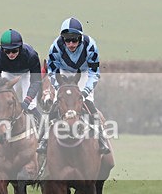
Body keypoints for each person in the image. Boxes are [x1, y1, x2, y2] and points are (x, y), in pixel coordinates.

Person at [39, 17, 110, 154]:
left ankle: (101, 139)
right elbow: (52, 72)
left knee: (88, 102)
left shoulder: (90, 46)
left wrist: (85, 92)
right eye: (67, 40)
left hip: (83, 73)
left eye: (75, 40)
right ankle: (44, 139)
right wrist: (59, 89)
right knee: (55, 103)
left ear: (81, 38)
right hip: (63, 72)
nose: (71, 44)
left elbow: (94, 73)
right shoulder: (55, 47)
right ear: (62, 39)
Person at [0, 29, 43, 154]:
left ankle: (43, 137)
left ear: (20, 48)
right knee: (2, 106)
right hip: (7, 75)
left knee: (31, 105)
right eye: (7, 51)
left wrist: (27, 100)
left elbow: (36, 81)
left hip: (26, 74)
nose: (11, 54)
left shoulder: (31, 55)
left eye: (14, 50)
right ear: (2, 50)